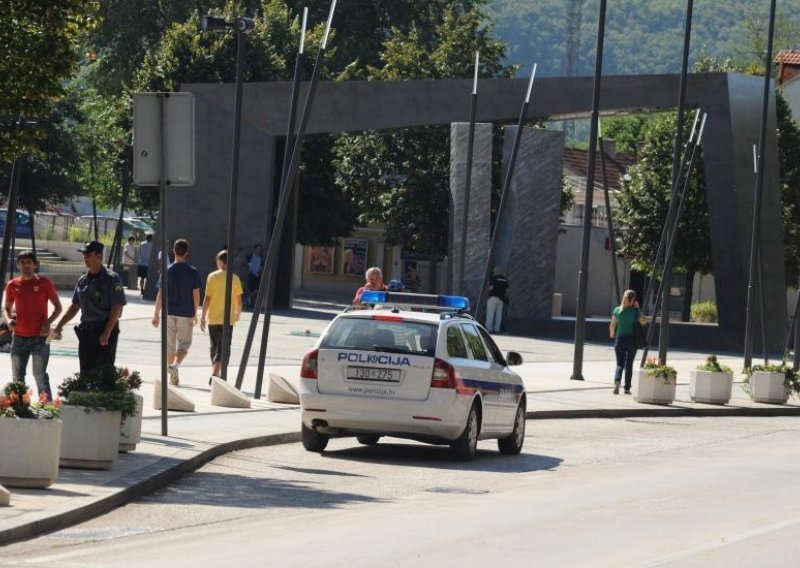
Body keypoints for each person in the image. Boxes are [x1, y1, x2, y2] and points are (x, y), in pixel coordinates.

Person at [53, 241, 127, 375]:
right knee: (86, 372)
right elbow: (75, 306)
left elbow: (117, 307)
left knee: (103, 373)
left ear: (99, 256)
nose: (85, 258)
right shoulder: (82, 280)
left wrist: (107, 331)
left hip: (104, 329)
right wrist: (60, 325)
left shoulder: (112, 279)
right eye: (84, 255)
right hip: (87, 331)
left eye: (88, 255)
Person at [4, 251, 63, 399]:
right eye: (22, 262)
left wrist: (48, 322)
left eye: (29, 262)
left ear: (35, 264)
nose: (25, 265)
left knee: (40, 375)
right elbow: (6, 308)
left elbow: (58, 307)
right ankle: (18, 409)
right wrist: (8, 319)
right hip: (18, 338)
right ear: (18, 265)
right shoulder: (12, 285)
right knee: (17, 378)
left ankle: (47, 410)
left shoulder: (44, 283)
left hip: (40, 338)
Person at [152, 239, 201, 386]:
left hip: (169, 312)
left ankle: (171, 372)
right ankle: (175, 366)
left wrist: (156, 314)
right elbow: (196, 294)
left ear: (173, 250)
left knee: (170, 346)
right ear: (186, 252)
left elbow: (160, 293)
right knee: (185, 344)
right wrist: (195, 313)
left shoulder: (167, 270)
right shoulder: (193, 271)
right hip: (186, 312)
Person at [200, 250, 243, 381]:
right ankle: (216, 374)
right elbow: (239, 300)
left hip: (213, 318)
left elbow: (207, 298)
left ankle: (216, 372)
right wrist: (237, 313)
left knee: (214, 347)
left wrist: (203, 316)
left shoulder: (212, 276)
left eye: (218, 260)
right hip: (227, 319)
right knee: (224, 347)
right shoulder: (234, 278)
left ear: (222, 261)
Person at [609, 289, 643, 395]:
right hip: (632, 341)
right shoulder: (634, 311)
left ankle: (617, 381)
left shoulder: (617, 310)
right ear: (633, 300)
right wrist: (637, 308)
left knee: (620, 364)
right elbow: (642, 321)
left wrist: (612, 334)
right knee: (629, 365)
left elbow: (612, 326)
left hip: (620, 340)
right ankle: (627, 388)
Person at [485, 266, 509, 333]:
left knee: (490, 313)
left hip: (493, 298)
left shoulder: (494, 278)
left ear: (495, 271)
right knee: (499, 315)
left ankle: (489, 329)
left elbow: (491, 288)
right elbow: (507, 291)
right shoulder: (505, 279)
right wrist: (504, 297)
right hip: (501, 299)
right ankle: (497, 329)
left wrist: (487, 290)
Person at [246, 244, 263, 308]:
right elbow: (248, 263)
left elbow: (261, 267)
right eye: (257, 249)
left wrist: (260, 274)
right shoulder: (250, 256)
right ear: (254, 249)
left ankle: (248, 299)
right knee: (251, 288)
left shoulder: (260, 258)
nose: (258, 250)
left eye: (260, 249)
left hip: (257, 275)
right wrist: (248, 269)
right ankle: (249, 301)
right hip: (251, 274)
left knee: (257, 289)